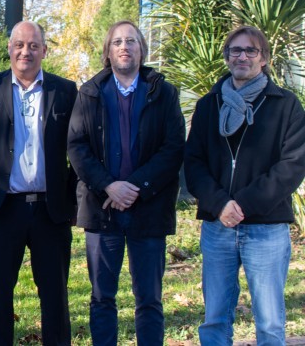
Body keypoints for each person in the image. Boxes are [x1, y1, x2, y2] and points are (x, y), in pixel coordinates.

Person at [185, 26, 305, 346]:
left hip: (266, 227)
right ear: (226, 57)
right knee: (214, 320)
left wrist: (244, 205)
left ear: (263, 58)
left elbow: (292, 166)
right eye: (235, 50)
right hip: (217, 225)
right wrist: (221, 204)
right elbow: (193, 163)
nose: (242, 56)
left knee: (269, 322)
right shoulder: (209, 105)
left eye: (251, 51)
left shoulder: (285, 105)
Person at [67, 20, 185, 345]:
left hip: (149, 210)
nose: (124, 47)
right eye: (117, 41)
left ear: (141, 49)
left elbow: (174, 147)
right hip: (102, 210)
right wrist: (109, 186)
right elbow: (77, 146)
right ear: (108, 51)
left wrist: (135, 187)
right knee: (102, 297)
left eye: (131, 41)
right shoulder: (89, 93)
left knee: (149, 299)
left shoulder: (164, 92)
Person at [0, 20, 78, 344]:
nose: (25, 51)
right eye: (19, 45)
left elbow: (78, 148)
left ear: (44, 50)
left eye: (33, 45)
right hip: (2, 208)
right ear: (9, 48)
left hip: (50, 211)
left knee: (55, 297)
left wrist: (73, 201)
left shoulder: (65, 90)